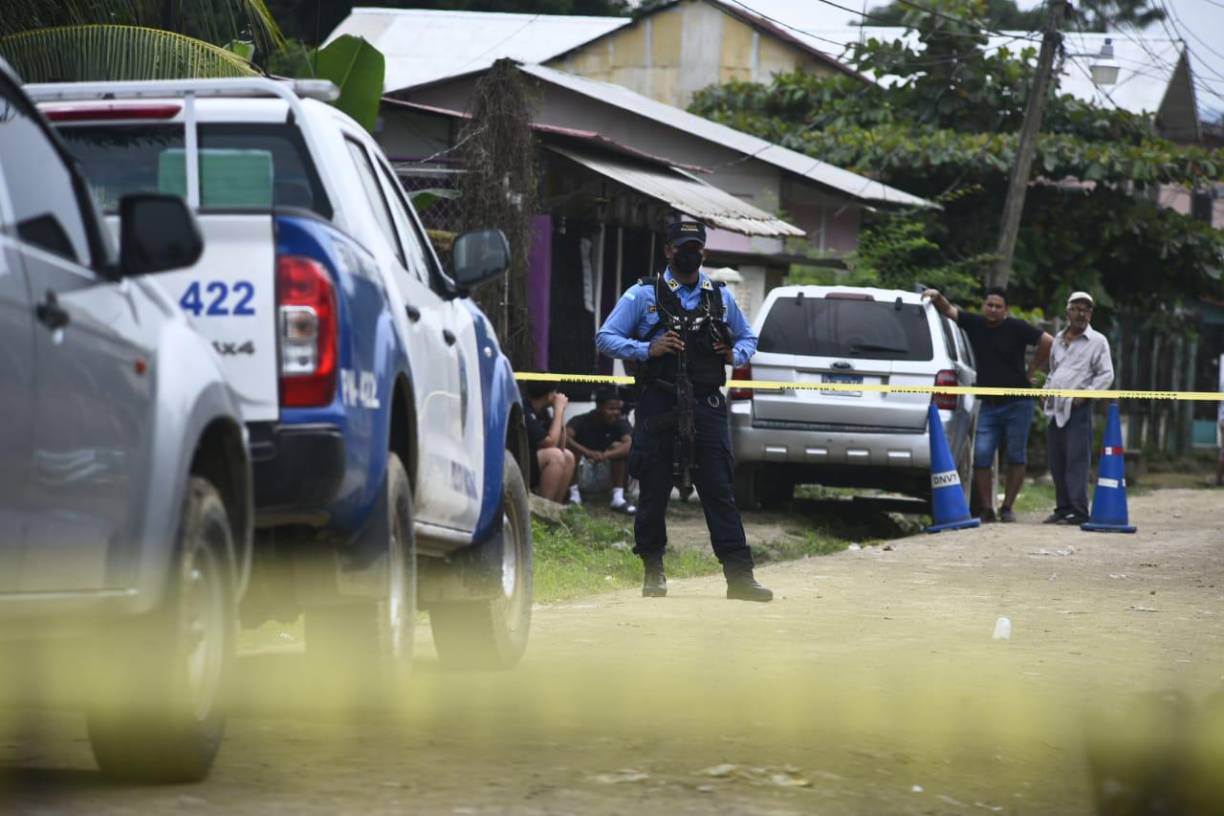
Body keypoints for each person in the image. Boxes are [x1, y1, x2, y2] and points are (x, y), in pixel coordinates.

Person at [595, 214, 772, 602]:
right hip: (660, 401)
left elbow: (749, 338)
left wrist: (734, 354)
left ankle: (739, 577)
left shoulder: (719, 296)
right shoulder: (643, 295)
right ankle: (653, 570)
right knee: (653, 489)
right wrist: (647, 348)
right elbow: (605, 338)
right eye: (683, 248)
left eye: (696, 249)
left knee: (719, 489)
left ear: (703, 252)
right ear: (668, 251)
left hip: (707, 403)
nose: (690, 255)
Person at [923, 286, 1053, 522]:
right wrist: (937, 296)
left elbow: (1047, 341)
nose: (992, 310)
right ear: (984, 306)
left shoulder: (1017, 327)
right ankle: (986, 508)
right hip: (988, 404)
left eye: (998, 306)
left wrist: (1032, 369)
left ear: (1006, 310)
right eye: (989, 305)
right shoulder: (976, 324)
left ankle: (1008, 507)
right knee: (981, 456)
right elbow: (950, 311)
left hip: (1018, 403)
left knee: (1016, 455)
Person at [1042, 291, 1114, 525]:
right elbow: (1054, 371)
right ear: (1068, 311)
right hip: (1055, 407)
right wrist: (1045, 391)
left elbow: (1106, 375)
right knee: (1057, 460)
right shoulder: (1058, 340)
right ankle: (1062, 508)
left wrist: (1086, 395)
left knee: (1077, 460)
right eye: (1076, 308)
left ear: (1091, 314)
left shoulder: (1098, 341)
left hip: (1078, 409)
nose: (1081, 313)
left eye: (1086, 309)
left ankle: (1079, 511)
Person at [565, 387, 636, 513]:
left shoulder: (620, 422)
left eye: (618, 409)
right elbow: (565, 437)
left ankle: (617, 498)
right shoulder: (580, 420)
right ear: (599, 407)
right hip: (583, 471)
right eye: (611, 408)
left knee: (618, 447)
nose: (616, 412)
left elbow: (630, 444)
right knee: (570, 452)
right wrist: (587, 452)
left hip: (607, 472)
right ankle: (574, 497)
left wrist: (606, 455)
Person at [523, 380, 576, 504]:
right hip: (520, 461)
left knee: (567, 456)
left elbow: (561, 446)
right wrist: (558, 410)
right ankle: (543, 508)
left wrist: (560, 412)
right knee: (555, 456)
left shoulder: (542, 411)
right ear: (549, 394)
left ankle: (555, 509)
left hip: (534, 459)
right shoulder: (524, 409)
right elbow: (550, 443)